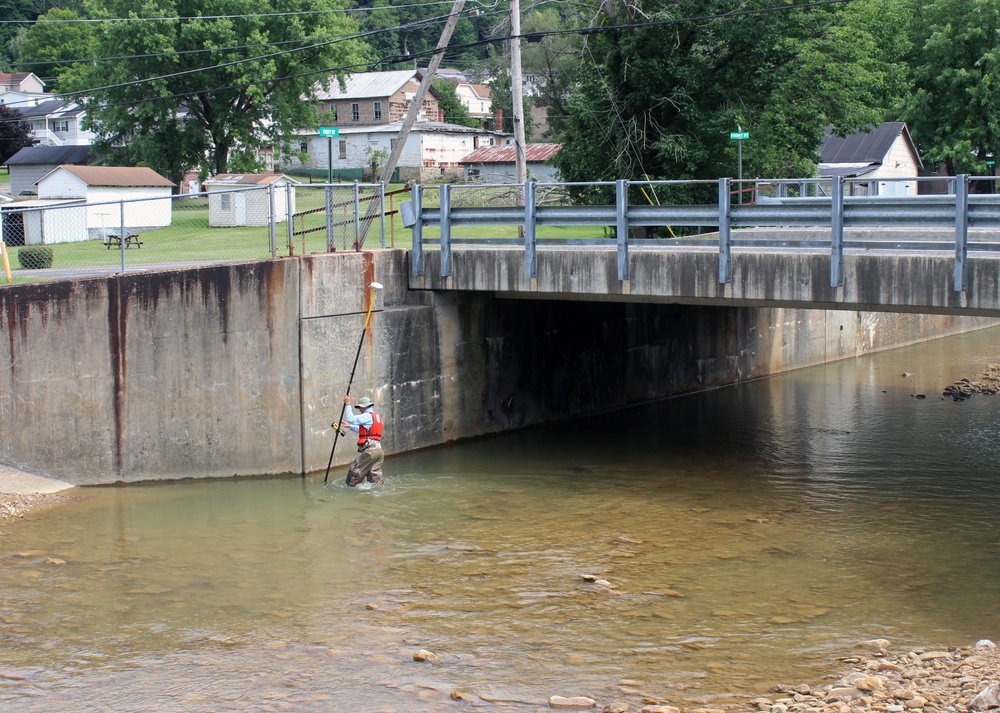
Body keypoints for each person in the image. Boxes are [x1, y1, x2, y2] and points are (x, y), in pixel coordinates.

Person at [338, 394, 384, 486]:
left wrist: (347, 404)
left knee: (355, 469)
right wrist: (350, 426)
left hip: (370, 450)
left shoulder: (367, 416)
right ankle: (379, 490)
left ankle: (349, 491)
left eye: (360, 407)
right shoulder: (377, 417)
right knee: (373, 474)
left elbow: (351, 418)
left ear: (364, 407)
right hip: (378, 450)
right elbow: (365, 431)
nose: (359, 409)